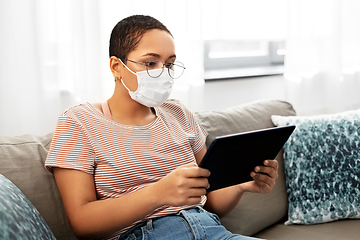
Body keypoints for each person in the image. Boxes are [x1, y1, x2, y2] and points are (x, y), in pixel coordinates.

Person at [45, 15, 278, 240]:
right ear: (116, 66)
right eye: (150, 63)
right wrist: (157, 194)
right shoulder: (77, 121)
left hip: (212, 230)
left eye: (170, 64)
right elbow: (81, 223)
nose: (163, 72)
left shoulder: (179, 113)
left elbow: (212, 200)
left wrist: (239, 184)